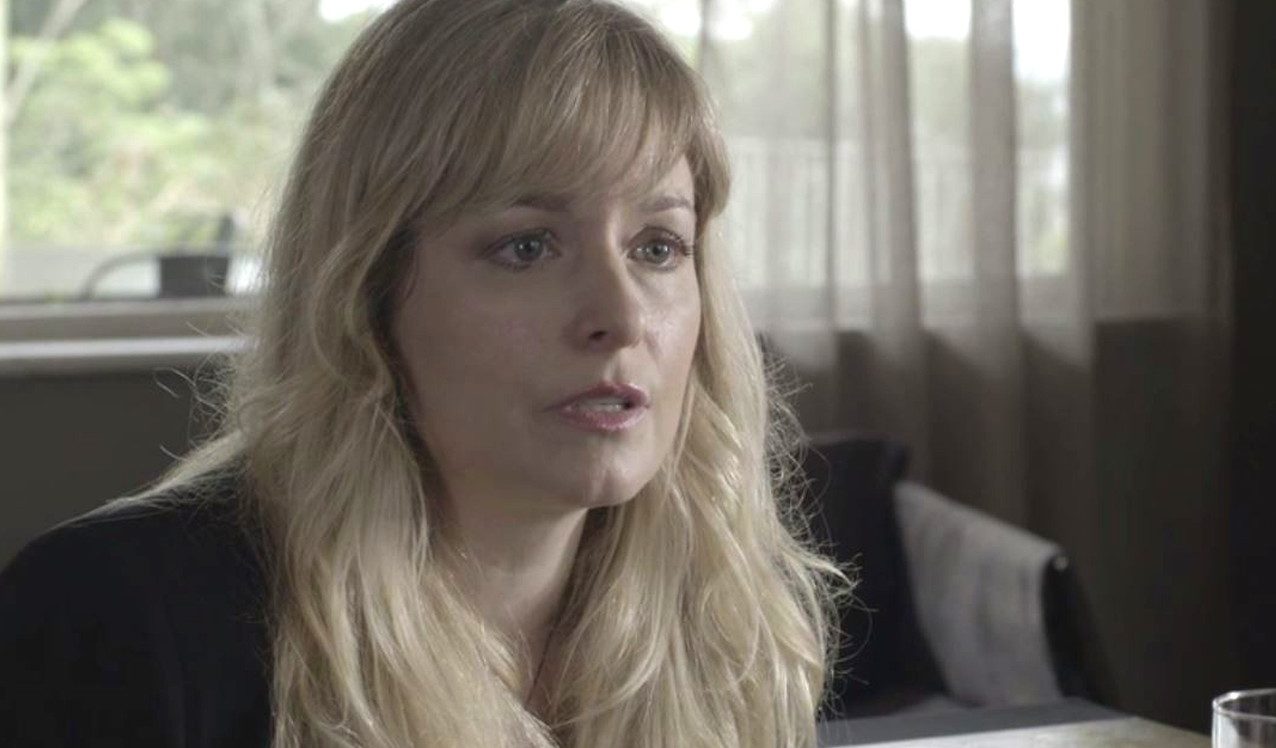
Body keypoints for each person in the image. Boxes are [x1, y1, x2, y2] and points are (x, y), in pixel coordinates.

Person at [0, 0, 853, 745]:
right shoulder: (115, 622)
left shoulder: (726, 624)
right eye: (527, 247)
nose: (622, 317)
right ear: (366, 293)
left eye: (658, 247)